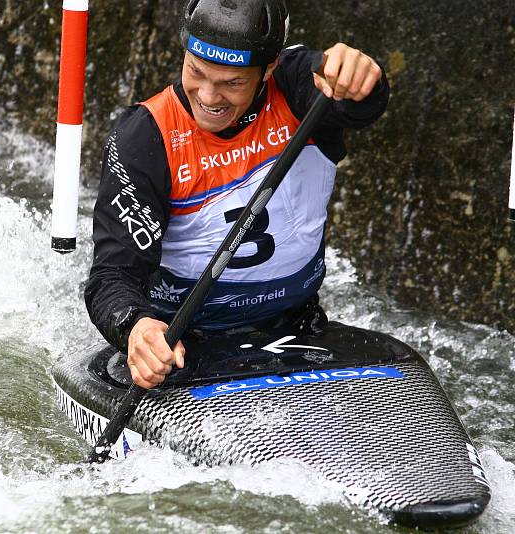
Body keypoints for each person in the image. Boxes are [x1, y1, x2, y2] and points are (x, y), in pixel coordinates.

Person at [85, 0, 389, 389]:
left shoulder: (298, 87)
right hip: (185, 344)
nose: (209, 97)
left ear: (269, 69)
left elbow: (360, 107)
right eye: (196, 72)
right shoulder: (146, 136)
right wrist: (136, 328)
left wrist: (362, 79)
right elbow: (111, 275)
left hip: (298, 329)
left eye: (232, 82)